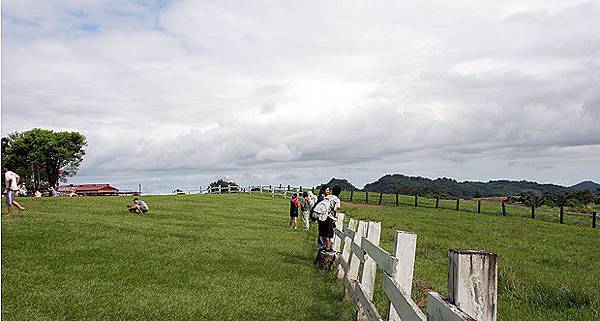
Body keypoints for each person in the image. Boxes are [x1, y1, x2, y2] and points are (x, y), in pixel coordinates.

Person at [318, 185, 342, 252]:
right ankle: (328, 249)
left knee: (324, 234)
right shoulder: (337, 200)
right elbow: (334, 209)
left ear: (332, 191)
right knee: (328, 235)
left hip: (322, 216)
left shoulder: (328, 196)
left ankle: (324, 248)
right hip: (329, 218)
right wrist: (334, 217)